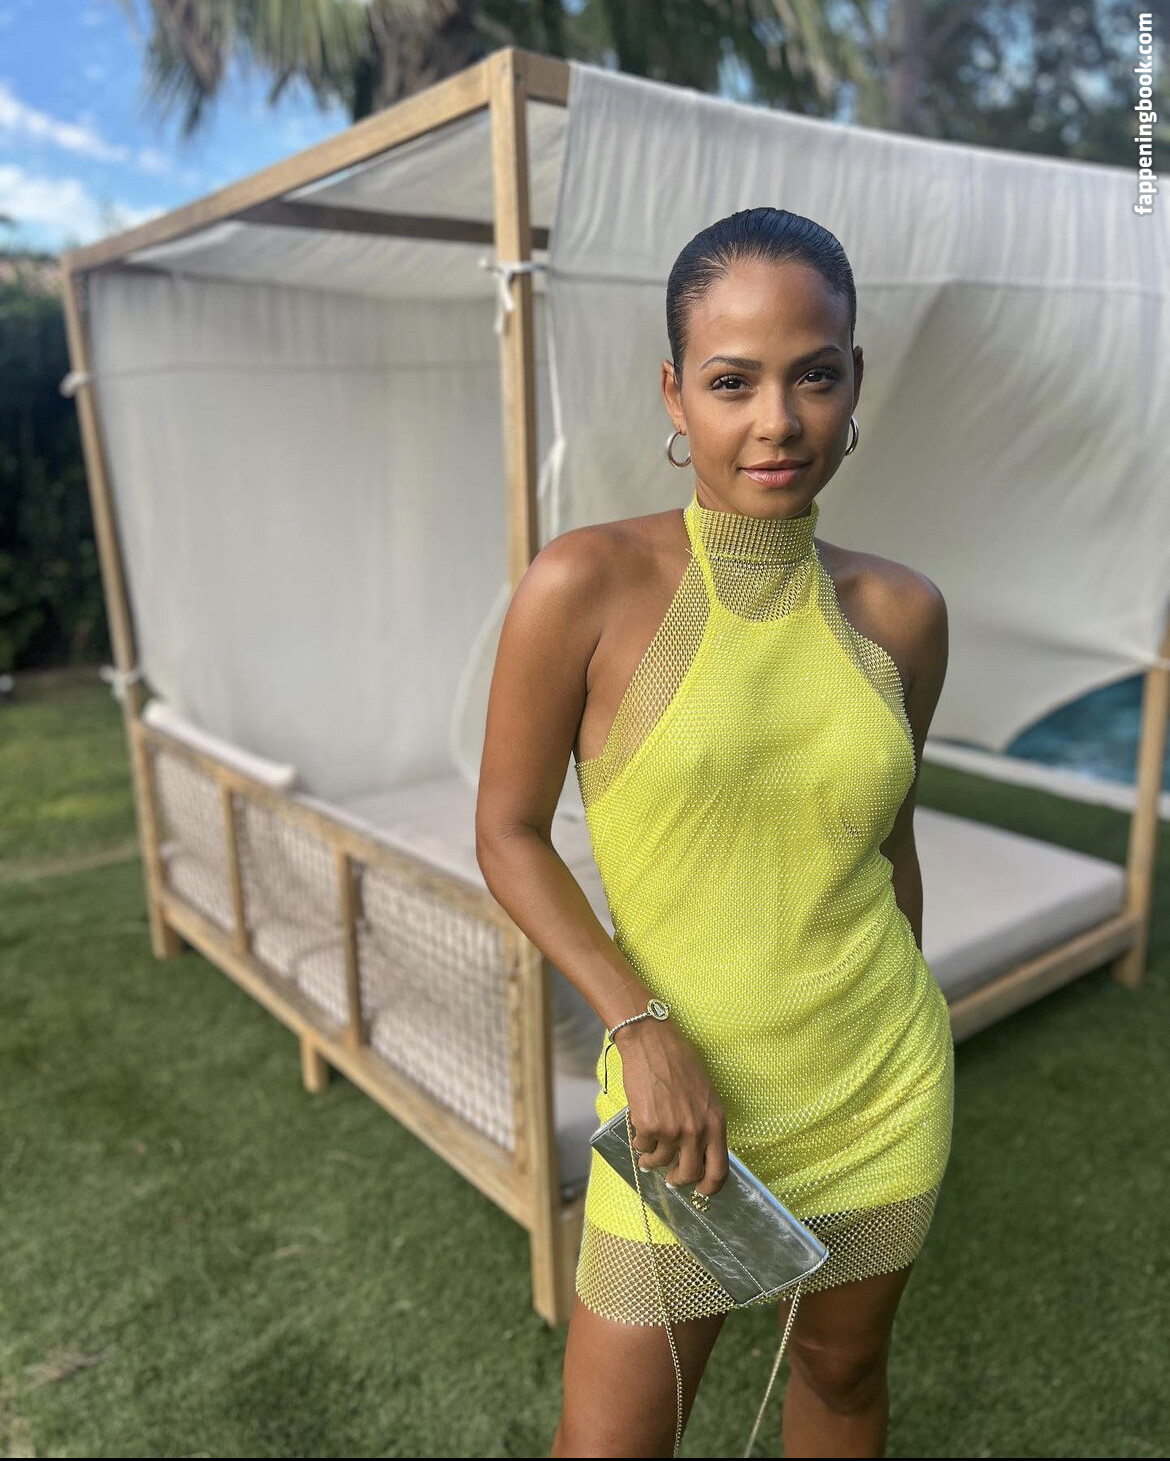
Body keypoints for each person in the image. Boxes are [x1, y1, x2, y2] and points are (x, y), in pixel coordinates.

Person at [474, 207, 954, 1459]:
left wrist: (909, 1003)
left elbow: (888, 845)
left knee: (842, 1379)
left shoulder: (903, 614)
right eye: (734, 382)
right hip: (678, 1111)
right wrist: (637, 1028)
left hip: (877, 1088)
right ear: (675, 394)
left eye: (815, 376)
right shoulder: (585, 585)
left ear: (855, 384)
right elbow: (508, 832)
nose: (778, 420)